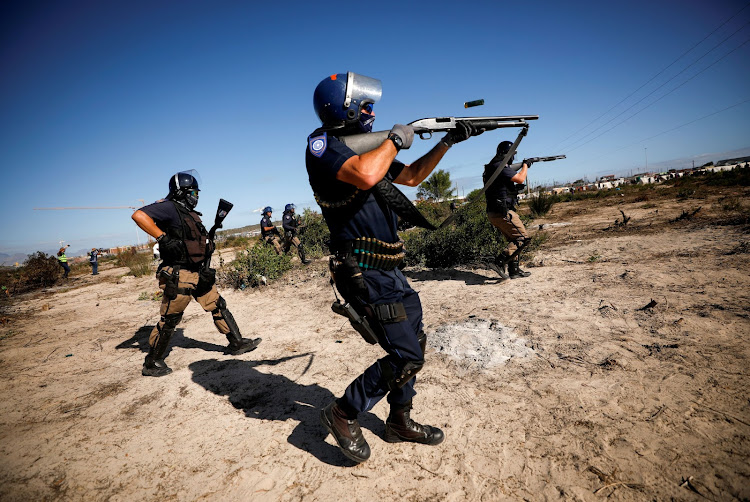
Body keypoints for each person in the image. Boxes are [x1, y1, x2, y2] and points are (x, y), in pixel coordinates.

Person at [306, 72, 484, 463]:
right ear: (345, 108)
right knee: (406, 355)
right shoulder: (323, 147)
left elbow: (414, 177)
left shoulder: (368, 152)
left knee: (414, 342)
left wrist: (447, 141)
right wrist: (394, 138)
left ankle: (399, 421)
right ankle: (343, 411)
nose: (372, 111)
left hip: (390, 268)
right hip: (363, 270)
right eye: (365, 106)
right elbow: (368, 173)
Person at [131, 170, 261, 377]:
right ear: (182, 192)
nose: (196, 197)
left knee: (217, 305)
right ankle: (152, 362)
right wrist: (163, 238)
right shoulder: (170, 207)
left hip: (198, 271)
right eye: (193, 192)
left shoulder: (186, 211)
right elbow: (138, 215)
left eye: (197, 193)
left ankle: (236, 342)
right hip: (180, 273)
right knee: (170, 318)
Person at [483, 141, 532, 279]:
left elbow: (501, 187)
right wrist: (525, 166)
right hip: (502, 212)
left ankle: (514, 270)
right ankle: (498, 261)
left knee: (514, 239)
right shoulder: (500, 166)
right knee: (522, 238)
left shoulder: (492, 167)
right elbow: (521, 178)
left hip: (494, 211)